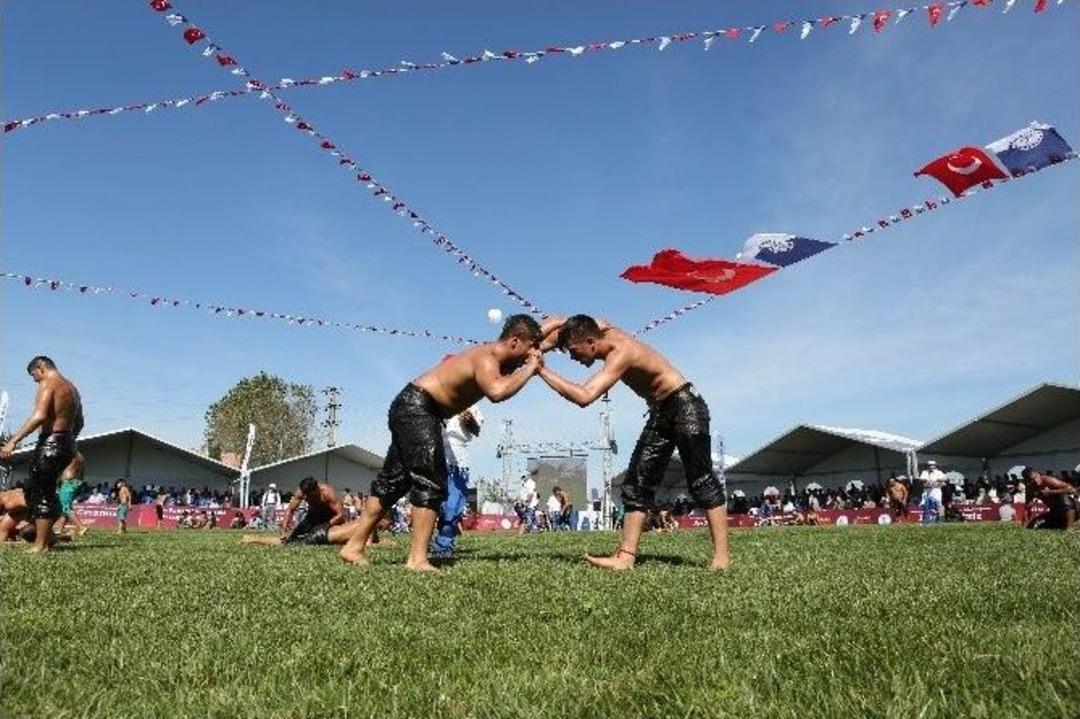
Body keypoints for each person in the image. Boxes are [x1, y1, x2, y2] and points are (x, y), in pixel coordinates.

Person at [339, 314, 545, 570]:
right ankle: (417, 559)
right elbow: (497, 392)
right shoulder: (487, 358)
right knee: (430, 481)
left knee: (392, 483)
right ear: (515, 342)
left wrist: (553, 330)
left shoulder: (495, 354)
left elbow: (541, 337)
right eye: (530, 347)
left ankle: (353, 547)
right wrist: (531, 369)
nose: (532, 354)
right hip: (418, 408)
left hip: (414, 408)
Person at [536, 315, 730, 571]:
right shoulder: (599, 328)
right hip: (661, 410)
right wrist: (536, 347)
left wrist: (541, 370)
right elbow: (558, 323)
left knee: (701, 480)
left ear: (591, 342)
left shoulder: (621, 352)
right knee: (637, 484)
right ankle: (626, 558)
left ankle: (721, 559)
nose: (572, 357)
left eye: (573, 351)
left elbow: (585, 396)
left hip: (685, 406)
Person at [0, 356, 84, 553]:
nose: (35, 380)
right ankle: (48, 536)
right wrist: (67, 440)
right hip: (67, 443)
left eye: (34, 375)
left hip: (50, 443)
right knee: (43, 489)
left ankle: (41, 544)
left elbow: (39, 415)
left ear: (41, 368)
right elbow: (80, 422)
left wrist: (13, 441)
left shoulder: (49, 383)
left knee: (41, 492)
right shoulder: (72, 389)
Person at [432, 404, 484, 557]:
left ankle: (443, 543)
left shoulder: (471, 403)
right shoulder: (436, 397)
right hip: (434, 453)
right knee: (434, 502)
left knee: (452, 505)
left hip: (458, 458)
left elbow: (476, 430)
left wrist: (469, 420)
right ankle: (425, 540)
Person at [241, 476, 347, 547]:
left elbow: (340, 515)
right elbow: (290, 510)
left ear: (316, 490)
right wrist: (283, 530)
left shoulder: (327, 493)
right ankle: (252, 539)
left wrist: (326, 525)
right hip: (313, 517)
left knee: (333, 539)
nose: (306, 498)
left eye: (309, 495)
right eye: (305, 495)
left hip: (330, 518)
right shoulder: (301, 492)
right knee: (289, 542)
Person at [54, 452, 89, 537]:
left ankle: (81, 527)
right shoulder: (80, 457)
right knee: (63, 507)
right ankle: (60, 529)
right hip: (76, 482)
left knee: (66, 507)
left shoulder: (69, 453)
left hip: (68, 483)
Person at [919, 460, 946, 524]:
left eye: (933, 465)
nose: (931, 467)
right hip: (927, 489)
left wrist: (937, 479)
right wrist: (926, 480)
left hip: (936, 489)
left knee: (938, 504)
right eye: (930, 465)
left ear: (935, 466)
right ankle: (926, 519)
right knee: (926, 504)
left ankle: (940, 518)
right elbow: (921, 479)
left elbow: (944, 478)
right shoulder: (925, 472)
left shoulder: (939, 472)